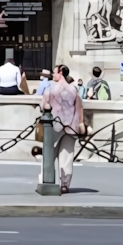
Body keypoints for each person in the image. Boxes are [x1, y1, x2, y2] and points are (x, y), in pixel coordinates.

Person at [40, 64, 83, 193]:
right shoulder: (74, 89)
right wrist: (80, 124)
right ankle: (65, 184)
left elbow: (43, 106)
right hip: (71, 126)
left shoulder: (50, 89)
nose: (53, 75)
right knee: (67, 155)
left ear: (61, 73)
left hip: (55, 125)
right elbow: (80, 108)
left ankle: (45, 180)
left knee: (48, 153)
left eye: (55, 72)